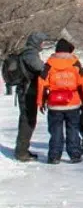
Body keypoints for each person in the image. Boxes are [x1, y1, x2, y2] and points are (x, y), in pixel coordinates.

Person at [37, 39, 83, 164]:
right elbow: (82, 83)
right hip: (73, 102)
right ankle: (75, 154)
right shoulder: (75, 63)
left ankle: (54, 156)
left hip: (55, 104)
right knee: (73, 129)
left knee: (56, 130)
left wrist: (41, 102)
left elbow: (42, 84)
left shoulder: (49, 64)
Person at [13, 32, 49, 162]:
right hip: (27, 91)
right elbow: (40, 68)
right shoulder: (30, 54)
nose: (43, 44)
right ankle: (21, 152)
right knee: (27, 121)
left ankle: (22, 149)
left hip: (27, 90)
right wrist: (48, 67)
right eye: (42, 41)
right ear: (36, 41)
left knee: (27, 120)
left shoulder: (29, 52)